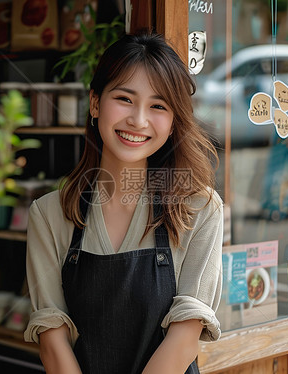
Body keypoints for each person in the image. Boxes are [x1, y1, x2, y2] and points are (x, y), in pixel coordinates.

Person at [24, 33, 223, 374]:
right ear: (96, 103)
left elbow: (185, 338)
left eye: (158, 106)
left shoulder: (198, 208)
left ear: (174, 120)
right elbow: (52, 340)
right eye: (125, 99)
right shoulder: (49, 214)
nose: (139, 120)